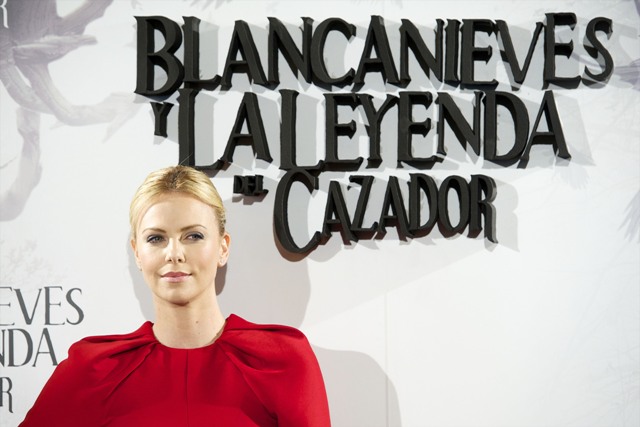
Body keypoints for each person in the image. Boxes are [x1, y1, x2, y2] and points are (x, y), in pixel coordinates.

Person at [20, 165, 331, 426]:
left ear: (223, 247)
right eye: (156, 238)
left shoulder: (280, 362)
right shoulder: (95, 370)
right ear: (137, 253)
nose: (174, 253)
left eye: (193, 236)